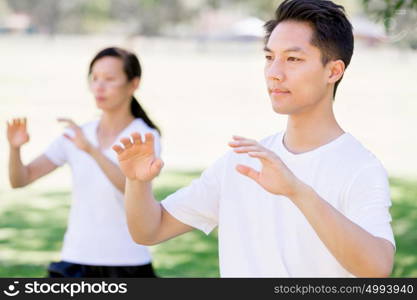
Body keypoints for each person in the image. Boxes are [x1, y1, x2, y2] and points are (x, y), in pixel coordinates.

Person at [113, 0, 395, 277]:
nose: (274, 73)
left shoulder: (359, 168)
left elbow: (377, 268)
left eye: (293, 59)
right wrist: (138, 182)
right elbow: (150, 230)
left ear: (333, 71)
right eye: (270, 57)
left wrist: (297, 190)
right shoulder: (242, 161)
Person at [7, 47, 160, 277]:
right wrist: (15, 148)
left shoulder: (144, 136)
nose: (99, 86)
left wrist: (91, 149)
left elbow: (131, 187)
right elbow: (21, 179)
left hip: (127, 261)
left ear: (133, 84)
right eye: (94, 78)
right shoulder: (77, 134)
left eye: (109, 79)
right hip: (75, 258)